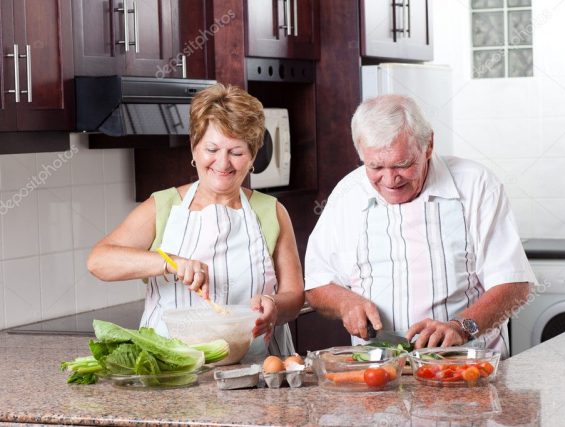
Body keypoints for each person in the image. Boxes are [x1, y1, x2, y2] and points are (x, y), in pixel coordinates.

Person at [304, 94, 534, 356]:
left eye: (403, 164)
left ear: (429, 145)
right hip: (379, 375)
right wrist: (345, 303)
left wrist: (461, 327)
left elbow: (515, 284)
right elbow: (317, 283)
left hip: (468, 369)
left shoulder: (476, 185)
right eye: (376, 166)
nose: (390, 180)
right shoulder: (347, 195)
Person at [87, 84, 304, 360]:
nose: (222, 163)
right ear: (194, 147)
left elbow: (294, 295)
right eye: (211, 149)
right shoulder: (164, 206)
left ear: (252, 155)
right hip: (173, 370)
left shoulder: (271, 211)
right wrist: (170, 262)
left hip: (255, 370)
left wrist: (275, 305)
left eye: (236, 152)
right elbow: (99, 261)